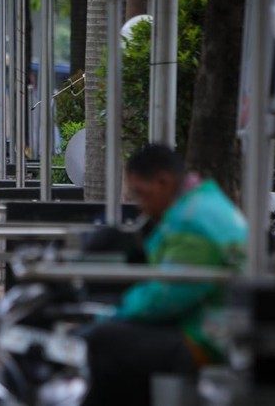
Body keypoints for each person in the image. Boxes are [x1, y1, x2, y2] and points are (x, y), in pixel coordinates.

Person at [80, 144, 248, 406]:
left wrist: (114, 313)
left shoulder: (193, 221)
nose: (140, 205)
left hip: (208, 337)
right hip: (210, 323)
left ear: (162, 182)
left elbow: (167, 295)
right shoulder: (202, 203)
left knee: (102, 341)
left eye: (140, 194)